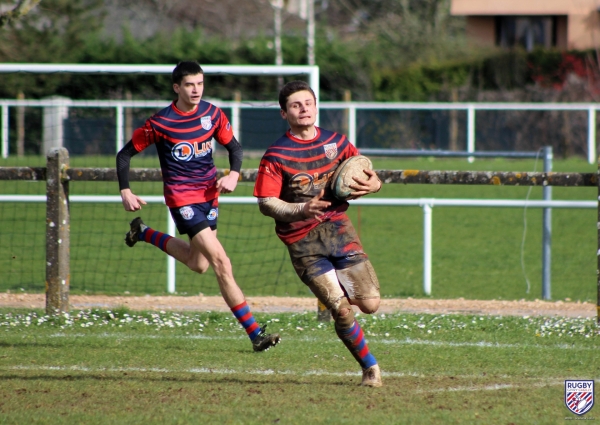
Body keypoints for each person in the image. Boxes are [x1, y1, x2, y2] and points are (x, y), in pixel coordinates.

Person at [116, 60, 280, 352]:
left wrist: (233, 174)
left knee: (199, 263)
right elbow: (124, 155)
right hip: (182, 199)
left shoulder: (212, 114)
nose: (196, 90)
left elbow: (235, 148)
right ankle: (255, 333)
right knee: (221, 263)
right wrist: (125, 191)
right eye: (190, 85)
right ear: (176, 87)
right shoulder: (161, 122)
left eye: (200, 84)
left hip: (209, 196)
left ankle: (143, 233)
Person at [253, 80, 384, 387]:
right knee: (340, 309)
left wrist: (375, 184)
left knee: (371, 304)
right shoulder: (276, 154)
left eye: (308, 103)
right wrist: (301, 210)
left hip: (339, 229)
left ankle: (345, 291)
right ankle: (370, 369)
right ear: (284, 113)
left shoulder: (336, 142)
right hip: (302, 242)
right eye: (296, 106)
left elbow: (364, 170)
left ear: (315, 106)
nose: (304, 109)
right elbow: (266, 203)